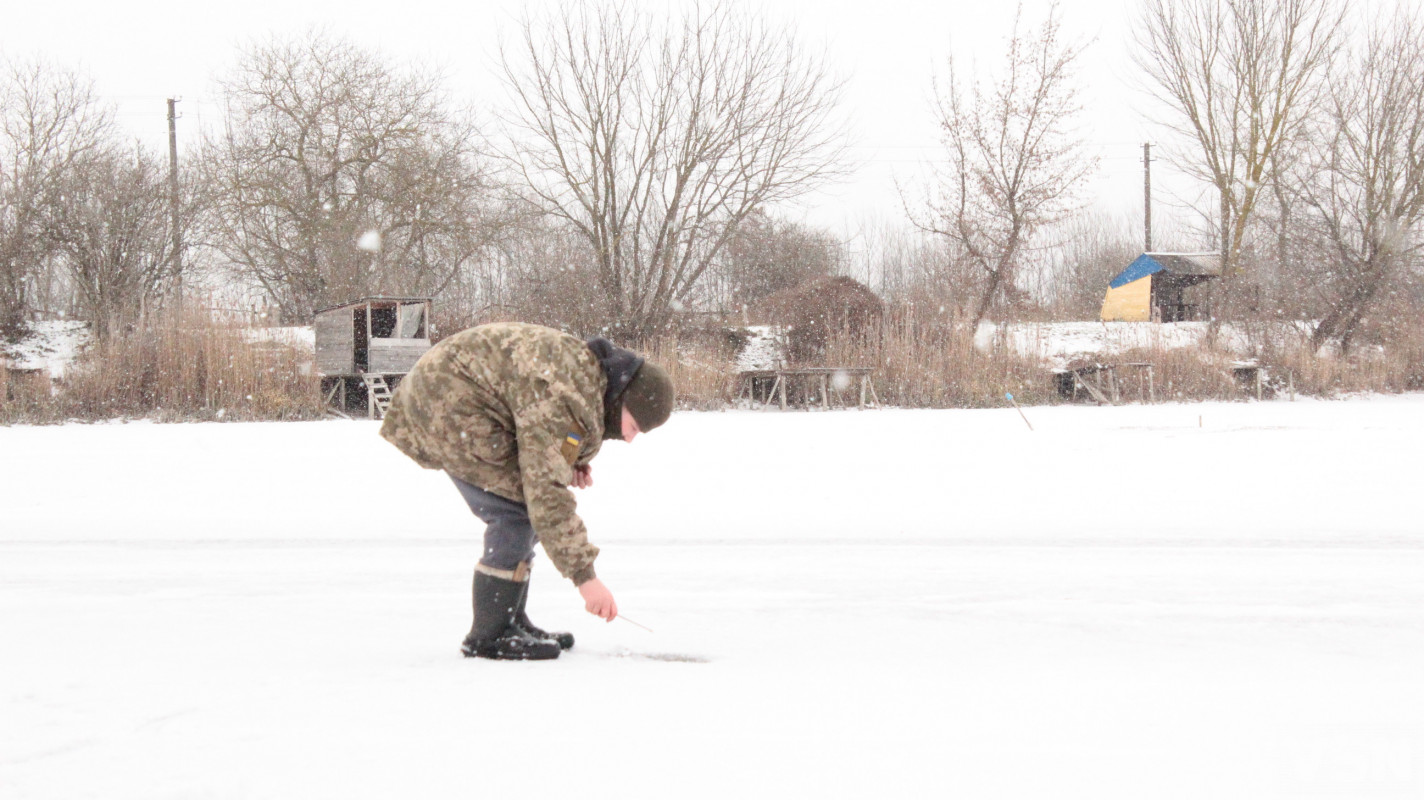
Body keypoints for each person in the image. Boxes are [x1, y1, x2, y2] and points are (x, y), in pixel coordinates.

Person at [379, 322, 674, 660]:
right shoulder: (571, 397)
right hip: (447, 402)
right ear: (621, 400)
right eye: (634, 426)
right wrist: (586, 578)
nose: (630, 438)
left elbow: (554, 437)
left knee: (525, 508)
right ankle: (489, 634)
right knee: (515, 513)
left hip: (455, 393)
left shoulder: (588, 384)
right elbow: (546, 491)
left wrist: (569, 462)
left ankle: (510, 619)